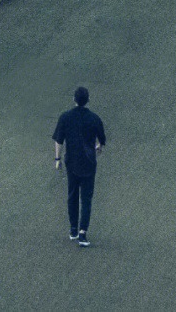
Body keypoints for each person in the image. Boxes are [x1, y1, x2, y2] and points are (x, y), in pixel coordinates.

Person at [52, 86, 107, 245]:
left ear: (74, 100)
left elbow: (59, 140)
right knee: (86, 198)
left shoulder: (65, 117)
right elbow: (102, 140)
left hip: (72, 162)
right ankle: (83, 233)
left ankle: (73, 229)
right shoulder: (94, 118)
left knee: (72, 195)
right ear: (88, 100)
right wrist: (98, 147)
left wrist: (57, 159)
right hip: (88, 163)